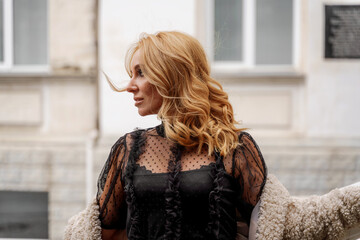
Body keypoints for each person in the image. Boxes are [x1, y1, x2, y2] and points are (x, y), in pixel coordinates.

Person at [64, 31, 360, 240]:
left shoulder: (234, 147)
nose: (130, 85)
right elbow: (100, 232)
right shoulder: (129, 149)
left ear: (171, 76)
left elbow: (283, 222)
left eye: (141, 73)